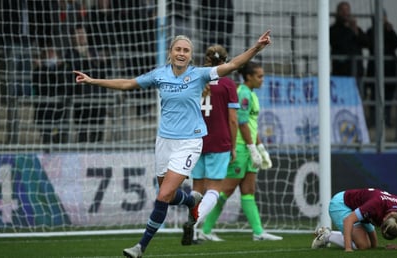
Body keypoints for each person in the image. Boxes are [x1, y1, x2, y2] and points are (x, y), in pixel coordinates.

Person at [73, 30, 272, 258]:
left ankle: (140, 246)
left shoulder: (199, 74)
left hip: (189, 142)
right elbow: (128, 84)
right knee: (167, 193)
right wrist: (92, 80)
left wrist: (256, 47)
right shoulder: (160, 75)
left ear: (190, 55)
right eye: (178, 49)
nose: (181, 53)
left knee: (162, 196)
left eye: (186, 50)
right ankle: (190, 201)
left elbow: (233, 64)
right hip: (164, 141)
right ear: (170, 53)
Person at [200, 61, 282, 242]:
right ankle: (204, 229)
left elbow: (252, 126)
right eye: (259, 76)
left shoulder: (251, 94)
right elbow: (242, 123)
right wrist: (252, 149)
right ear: (249, 77)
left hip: (249, 146)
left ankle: (258, 232)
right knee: (226, 189)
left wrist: (261, 148)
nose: (263, 80)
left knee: (248, 190)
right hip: (240, 147)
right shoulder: (243, 93)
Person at [180, 44, 239, 246]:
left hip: (196, 140)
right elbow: (232, 119)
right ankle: (194, 225)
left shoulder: (194, 79)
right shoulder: (228, 85)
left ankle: (193, 235)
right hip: (219, 140)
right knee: (214, 189)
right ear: (225, 60)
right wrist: (233, 146)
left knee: (197, 188)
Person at [311, 188, 397, 252]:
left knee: (373, 246)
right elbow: (348, 220)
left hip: (362, 211)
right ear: (385, 218)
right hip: (342, 204)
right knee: (363, 245)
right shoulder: (375, 206)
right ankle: (327, 236)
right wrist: (348, 248)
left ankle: (328, 233)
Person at [65, 25, 108, 142]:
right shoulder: (70, 53)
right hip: (81, 97)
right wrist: (89, 61)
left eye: (83, 33)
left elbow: (102, 71)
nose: (81, 37)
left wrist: (101, 62)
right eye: (78, 34)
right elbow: (75, 70)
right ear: (73, 37)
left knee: (98, 130)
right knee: (82, 131)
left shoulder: (93, 51)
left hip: (97, 96)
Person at [366, 10, 397, 127]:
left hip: (390, 70)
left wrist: (390, 30)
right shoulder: (371, 32)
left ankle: (386, 122)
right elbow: (370, 44)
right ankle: (374, 122)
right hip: (375, 69)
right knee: (375, 97)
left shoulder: (388, 31)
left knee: (388, 98)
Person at [32, 43, 70, 144]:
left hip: (59, 110)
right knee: (46, 139)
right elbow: (40, 86)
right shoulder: (38, 70)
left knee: (60, 139)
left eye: (52, 52)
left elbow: (63, 85)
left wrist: (59, 67)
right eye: (48, 52)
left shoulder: (64, 69)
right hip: (44, 111)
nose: (50, 55)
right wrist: (41, 68)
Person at [330, 1, 369, 78]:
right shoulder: (333, 29)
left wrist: (355, 29)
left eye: (347, 10)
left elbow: (367, 43)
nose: (345, 13)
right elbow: (337, 43)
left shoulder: (356, 29)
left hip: (357, 70)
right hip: (340, 72)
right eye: (342, 10)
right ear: (338, 12)